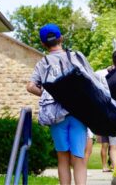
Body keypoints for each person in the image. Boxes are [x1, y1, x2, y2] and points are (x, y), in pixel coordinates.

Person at [27, 23, 88, 185]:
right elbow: (91, 81)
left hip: (55, 115)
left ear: (43, 43)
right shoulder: (76, 57)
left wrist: (47, 94)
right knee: (79, 157)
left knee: (62, 157)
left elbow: (30, 86)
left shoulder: (43, 63)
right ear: (61, 38)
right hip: (78, 113)